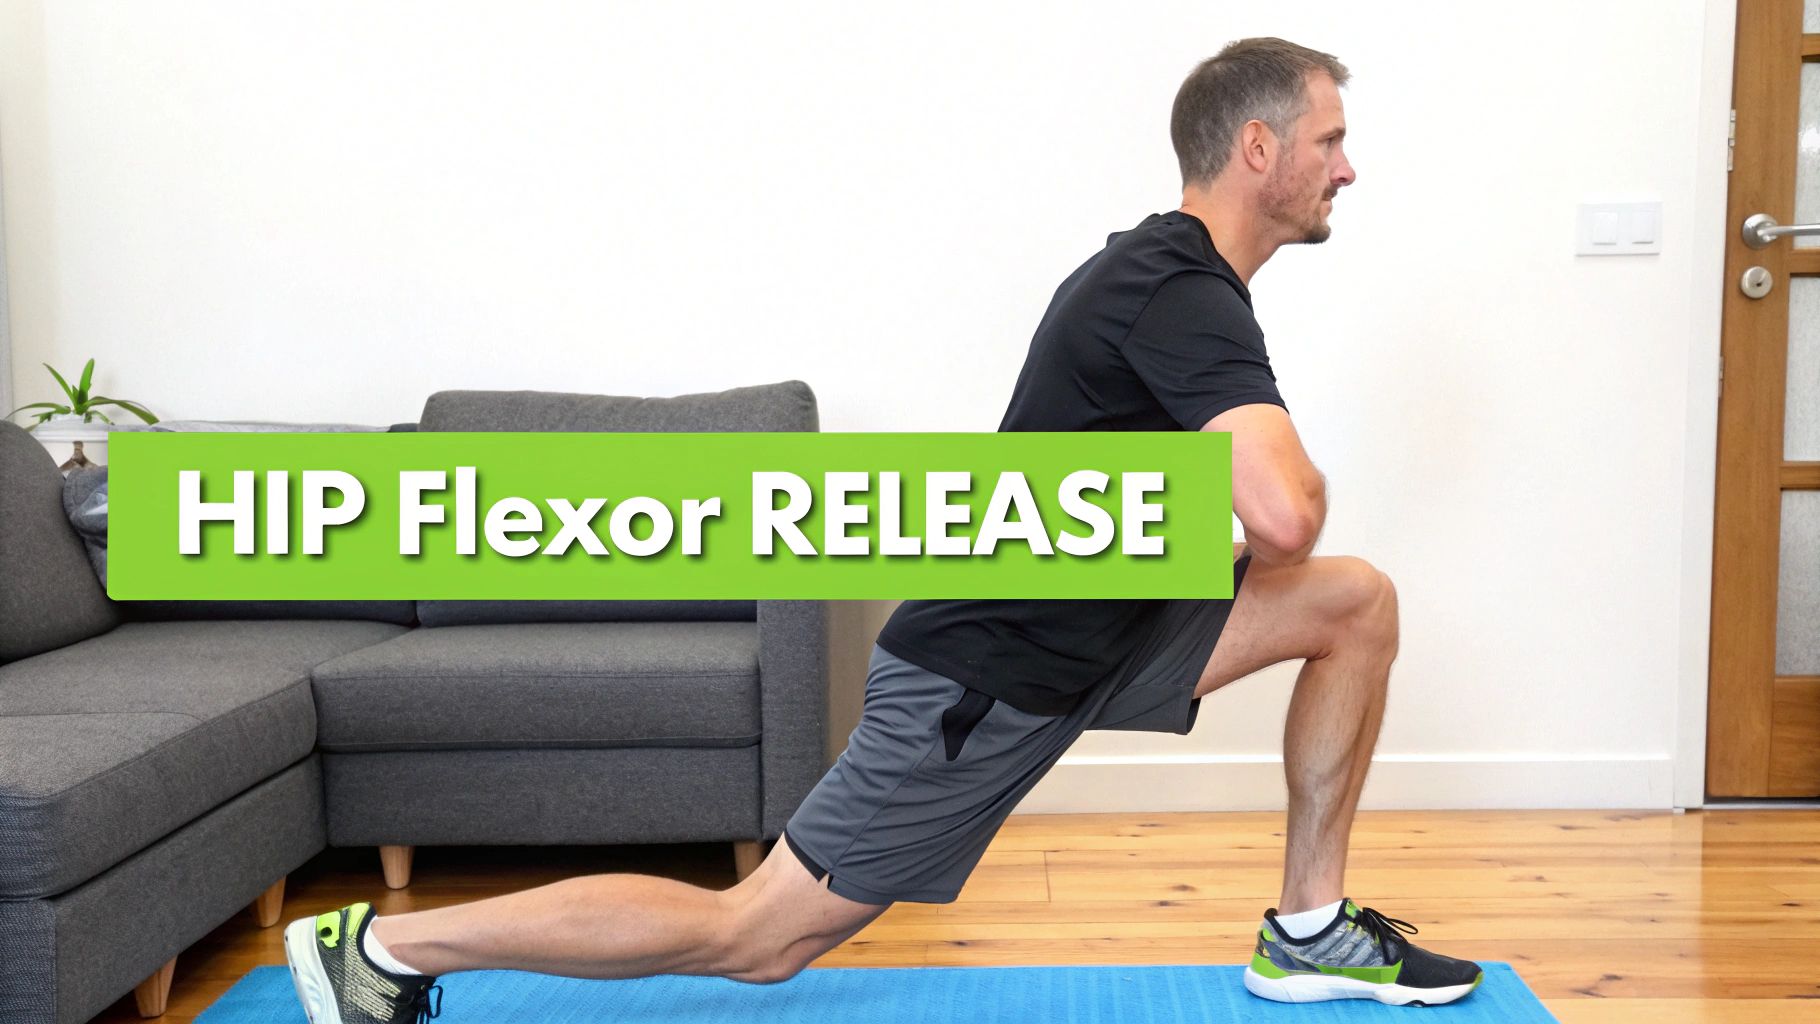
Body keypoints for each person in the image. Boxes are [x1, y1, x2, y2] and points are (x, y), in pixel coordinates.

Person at [284, 36, 1484, 1023]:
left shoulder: (1175, 283)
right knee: (758, 936)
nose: (1345, 168)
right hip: (987, 672)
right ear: (1258, 147)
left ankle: (1309, 930)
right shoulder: (1176, 291)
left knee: (1353, 602)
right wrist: (1255, 501)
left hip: (1098, 629)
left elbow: (1184, 505)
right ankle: (390, 948)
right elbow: (1282, 513)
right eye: (1329, 140)